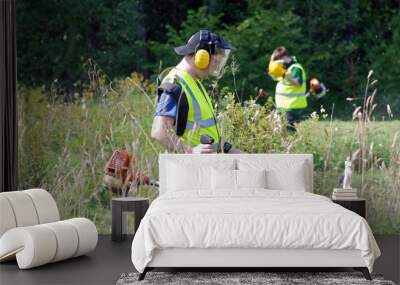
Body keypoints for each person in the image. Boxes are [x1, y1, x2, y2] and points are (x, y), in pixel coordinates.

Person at [151, 30, 240, 154]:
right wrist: (191, 151)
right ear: (202, 57)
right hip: (191, 169)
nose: (215, 68)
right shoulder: (175, 84)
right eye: (216, 62)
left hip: (205, 167)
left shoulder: (194, 83)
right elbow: (159, 131)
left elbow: (208, 136)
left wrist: (232, 151)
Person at [269, 47, 307, 131]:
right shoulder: (284, 68)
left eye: (278, 61)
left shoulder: (296, 68)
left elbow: (297, 84)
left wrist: (285, 75)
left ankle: (295, 144)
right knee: (281, 131)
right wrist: (271, 61)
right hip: (283, 106)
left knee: (290, 131)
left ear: (284, 58)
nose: (277, 64)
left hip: (292, 106)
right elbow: (273, 75)